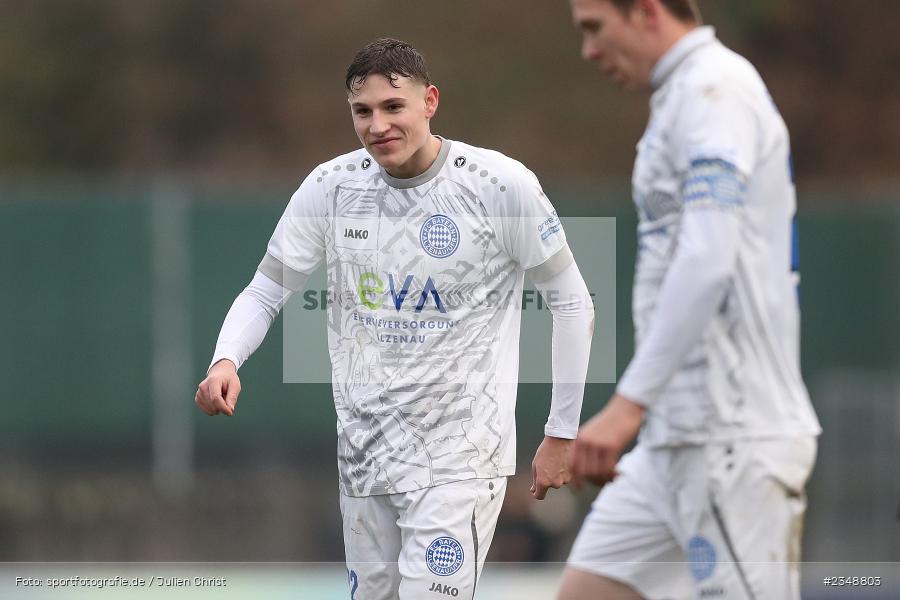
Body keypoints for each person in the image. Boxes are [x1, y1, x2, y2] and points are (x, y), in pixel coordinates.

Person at [194, 38, 595, 599]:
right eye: (363, 111)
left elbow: (573, 302)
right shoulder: (332, 187)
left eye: (393, 106)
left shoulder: (499, 186)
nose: (378, 124)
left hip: (459, 458)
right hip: (364, 458)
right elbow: (265, 290)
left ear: (429, 101)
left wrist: (562, 432)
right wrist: (226, 359)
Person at [559, 1, 821, 599]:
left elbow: (707, 259)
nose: (589, 51)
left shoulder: (715, 90)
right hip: (672, 442)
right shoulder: (681, 96)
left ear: (648, 12)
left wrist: (627, 406)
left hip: (731, 439)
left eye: (596, 29)